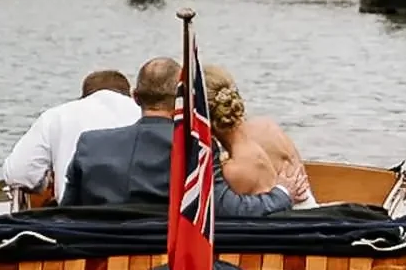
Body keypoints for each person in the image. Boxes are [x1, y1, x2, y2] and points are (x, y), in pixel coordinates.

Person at [63, 57, 293, 219]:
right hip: (165, 260)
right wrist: (281, 193)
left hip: (95, 257)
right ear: (186, 99)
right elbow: (229, 209)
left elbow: (67, 213)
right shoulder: (196, 147)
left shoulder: (89, 145)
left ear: (135, 97)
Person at [2, 69, 139, 200]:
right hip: (143, 218)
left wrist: (44, 184)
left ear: (83, 97)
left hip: (76, 219)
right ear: (131, 95)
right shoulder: (146, 114)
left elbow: (18, 174)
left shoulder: (56, 115)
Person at [205, 68, 318, 208]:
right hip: (311, 207)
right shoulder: (267, 126)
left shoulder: (233, 171)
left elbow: (234, 210)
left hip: (291, 224)